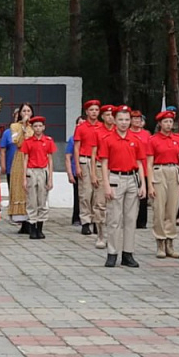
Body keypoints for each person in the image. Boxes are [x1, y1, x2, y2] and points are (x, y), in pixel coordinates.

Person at [98, 105, 147, 268]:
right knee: (114, 218)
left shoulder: (136, 140)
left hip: (132, 179)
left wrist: (143, 184)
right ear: (114, 120)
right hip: (115, 178)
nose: (124, 123)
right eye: (121, 119)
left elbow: (140, 163)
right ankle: (112, 253)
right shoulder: (108, 139)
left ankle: (128, 253)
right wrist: (106, 185)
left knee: (131, 218)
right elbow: (104, 164)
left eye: (127, 119)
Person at [146, 110, 179, 259]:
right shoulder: (153, 140)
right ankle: (160, 242)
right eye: (165, 122)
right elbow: (149, 163)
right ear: (160, 124)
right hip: (159, 172)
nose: (168, 124)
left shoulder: (177, 140)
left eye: (170, 122)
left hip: (174, 171)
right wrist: (150, 184)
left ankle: (170, 242)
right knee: (159, 209)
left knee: (172, 209)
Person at [20, 116, 55, 240]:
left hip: (43, 171)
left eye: (40, 126)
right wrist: (24, 177)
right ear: (32, 128)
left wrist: (50, 177)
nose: (38, 128)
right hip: (31, 171)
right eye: (35, 126)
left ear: (44, 127)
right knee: (32, 200)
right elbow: (25, 160)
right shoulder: (28, 142)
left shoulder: (48, 141)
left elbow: (50, 159)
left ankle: (40, 228)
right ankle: (32, 227)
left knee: (42, 199)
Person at [89, 104, 117, 249]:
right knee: (100, 203)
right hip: (101, 168)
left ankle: (113, 234)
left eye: (112, 115)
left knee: (115, 204)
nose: (110, 117)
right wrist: (93, 173)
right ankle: (101, 234)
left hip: (116, 168)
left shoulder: (119, 131)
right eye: (107, 115)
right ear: (102, 116)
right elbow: (93, 154)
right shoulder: (98, 131)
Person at [73, 100, 102, 236]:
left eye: (96, 110)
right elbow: (77, 147)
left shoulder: (102, 127)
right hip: (85, 160)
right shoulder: (81, 127)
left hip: (98, 162)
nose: (94, 112)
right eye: (91, 110)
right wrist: (77, 165)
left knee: (98, 193)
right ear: (86, 112)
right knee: (85, 193)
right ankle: (85, 221)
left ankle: (97, 221)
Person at [5, 103, 34, 233]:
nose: (26, 113)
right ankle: (22, 220)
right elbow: (17, 141)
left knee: (31, 187)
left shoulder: (35, 126)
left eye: (28, 111)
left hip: (32, 157)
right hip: (20, 157)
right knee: (19, 187)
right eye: (24, 111)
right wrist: (23, 127)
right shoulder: (15, 126)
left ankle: (32, 219)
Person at [129, 110, 151, 229]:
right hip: (131, 167)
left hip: (144, 167)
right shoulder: (127, 133)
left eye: (139, 119)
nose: (137, 121)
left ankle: (142, 221)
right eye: (134, 119)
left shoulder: (146, 134)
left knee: (143, 196)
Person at [65, 116, 84, 226]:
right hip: (75, 170)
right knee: (78, 195)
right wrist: (69, 174)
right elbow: (68, 157)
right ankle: (76, 217)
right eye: (79, 124)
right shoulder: (73, 139)